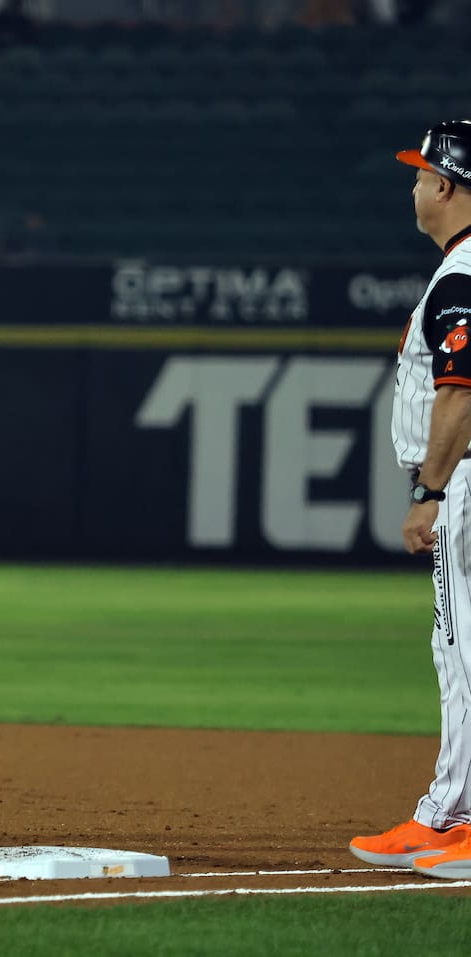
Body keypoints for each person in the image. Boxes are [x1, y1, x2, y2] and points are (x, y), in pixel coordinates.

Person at [348, 120, 471, 880]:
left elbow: (460, 393)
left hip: (466, 479)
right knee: (456, 649)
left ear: (451, 187)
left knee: (461, 654)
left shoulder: (463, 276)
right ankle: (442, 815)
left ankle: (455, 819)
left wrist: (429, 489)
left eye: (423, 172)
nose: (414, 184)